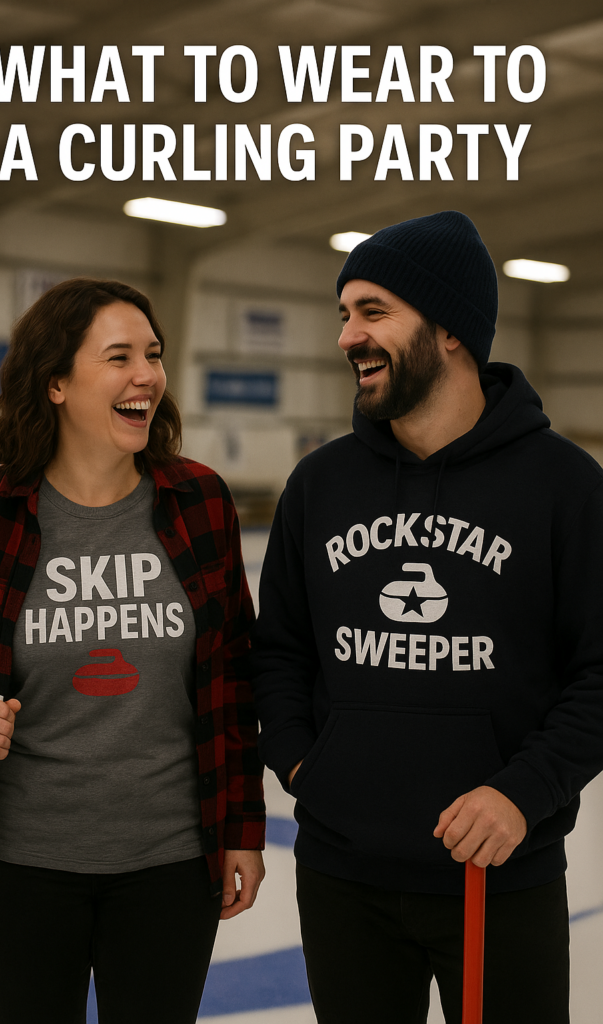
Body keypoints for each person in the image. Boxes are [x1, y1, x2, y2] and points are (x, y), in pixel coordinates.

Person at [252, 210, 603, 1024]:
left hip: (497, 874)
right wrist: (308, 768)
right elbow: (278, 654)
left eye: (372, 311)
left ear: (447, 329)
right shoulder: (321, 484)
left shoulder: (563, 487)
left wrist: (521, 793)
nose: (346, 335)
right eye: (343, 314)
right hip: (343, 876)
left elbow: (596, 671)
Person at [0, 278, 265, 1024]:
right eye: (118, 357)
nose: (146, 374)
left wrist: (242, 831)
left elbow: (234, 677)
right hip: (19, 867)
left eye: (153, 354)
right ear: (54, 383)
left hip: (172, 864)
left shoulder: (199, 502)